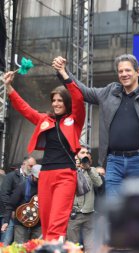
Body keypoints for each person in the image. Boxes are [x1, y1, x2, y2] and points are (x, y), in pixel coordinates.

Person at [54, 36, 139, 197]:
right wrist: (64, 73)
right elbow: (82, 92)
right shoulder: (109, 92)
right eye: (120, 71)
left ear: (138, 72)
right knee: (114, 208)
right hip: (114, 162)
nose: (124, 74)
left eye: (128, 70)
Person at [2, 58, 85, 241]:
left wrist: (64, 73)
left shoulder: (75, 120)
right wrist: (9, 87)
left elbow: (78, 98)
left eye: (60, 100)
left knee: (57, 223)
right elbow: (25, 109)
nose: (56, 103)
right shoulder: (45, 120)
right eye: (53, 100)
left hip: (65, 175)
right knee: (46, 225)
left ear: (67, 103)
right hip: (45, 175)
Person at [67, 146, 102, 252]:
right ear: (76, 156)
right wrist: (76, 168)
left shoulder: (92, 170)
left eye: (87, 152)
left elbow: (99, 183)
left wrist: (88, 169)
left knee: (90, 246)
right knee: (73, 246)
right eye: (82, 152)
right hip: (74, 214)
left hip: (89, 213)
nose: (86, 154)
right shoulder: (70, 169)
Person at [0, 156, 36, 245]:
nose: (32, 169)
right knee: (6, 240)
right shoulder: (11, 176)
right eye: (31, 166)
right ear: (24, 164)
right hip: (11, 213)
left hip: (26, 215)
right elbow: (4, 195)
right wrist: (11, 210)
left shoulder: (33, 179)